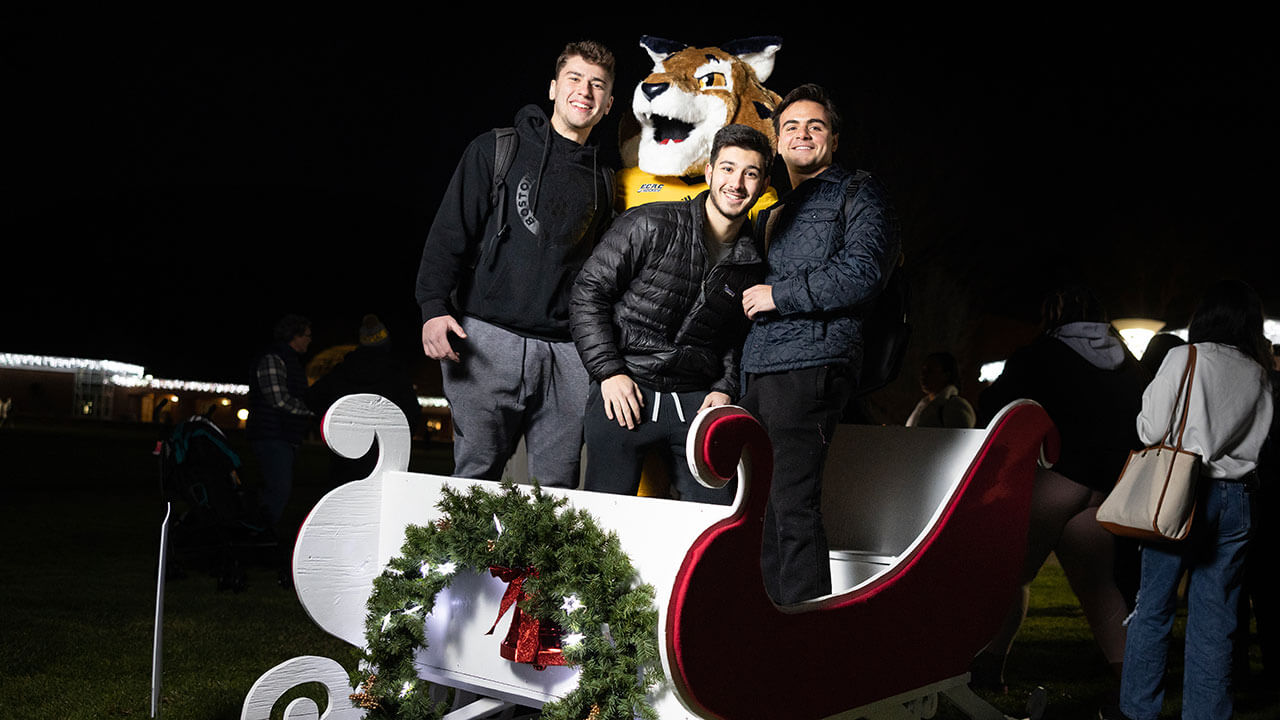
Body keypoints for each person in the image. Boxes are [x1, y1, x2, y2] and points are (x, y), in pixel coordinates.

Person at [414, 40, 616, 488]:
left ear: (607, 104)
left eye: (597, 85)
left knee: (557, 491)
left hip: (566, 353)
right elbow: (450, 233)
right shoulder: (497, 149)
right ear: (553, 87)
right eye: (575, 79)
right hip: (488, 339)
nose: (585, 91)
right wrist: (433, 307)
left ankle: (529, 565)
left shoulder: (605, 179)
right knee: (475, 479)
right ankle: (467, 564)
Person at [738, 83, 901, 605]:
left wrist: (778, 295)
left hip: (813, 365)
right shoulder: (772, 210)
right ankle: (764, 626)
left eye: (816, 126)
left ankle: (802, 638)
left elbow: (863, 272)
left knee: (792, 505)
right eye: (791, 126)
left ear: (832, 138)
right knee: (757, 510)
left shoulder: (859, 190)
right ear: (778, 143)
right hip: (759, 370)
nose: (802, 134)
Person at [570, 124, 770, 504]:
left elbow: (736, 337)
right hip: (626, 388)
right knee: (604, 522)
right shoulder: (650, 222)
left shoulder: (753, 263)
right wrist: (608, 372)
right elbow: (588, 293)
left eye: (751, 173)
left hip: (694, 401)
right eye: (728, 168)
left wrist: (726, 386)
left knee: (712, 521)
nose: (737, 183)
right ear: (709, 172)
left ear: (762, 184)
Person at [972, 285, 1149, 698]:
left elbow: (993, 406)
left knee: (1009, 576)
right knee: (1099, 589)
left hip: (1057, 480)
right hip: (1109, 489)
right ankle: (1135, 688)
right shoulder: (1131, 364)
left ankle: (986, 672)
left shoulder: (1039, 355)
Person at [1116, 280, 1274, 720]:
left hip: (1180, 491)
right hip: (1238, 498)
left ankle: (1138, 712)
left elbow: (1148, 430)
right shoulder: (1257, 370)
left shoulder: (1184, 357)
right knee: (1217, 619)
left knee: (1154, 610)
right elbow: (1257, 441)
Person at [308, 314, 422, 485]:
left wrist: (334, 424)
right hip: (382, 450)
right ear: (385, 342)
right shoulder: (395, 373)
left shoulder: (343, 370)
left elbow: (312, 397)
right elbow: (412, 412)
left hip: (345, 448)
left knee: (344, 497)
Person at [247, 314, 316, 528]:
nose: (310, 339)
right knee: (278, 488)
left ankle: (260, 531)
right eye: (307, 335)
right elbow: (278, 399)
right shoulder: (273, 358)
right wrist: (310, 411)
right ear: (293, 336)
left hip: (282, 435)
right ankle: (259, 532)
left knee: (275, 488)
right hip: (271, 435)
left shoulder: (289, 359)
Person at [904, 351, 976, 428]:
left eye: (930, 371)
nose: (923, 375)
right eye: (923, 371)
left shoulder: (956, 406)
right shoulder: (923, 406)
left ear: (946, 375)